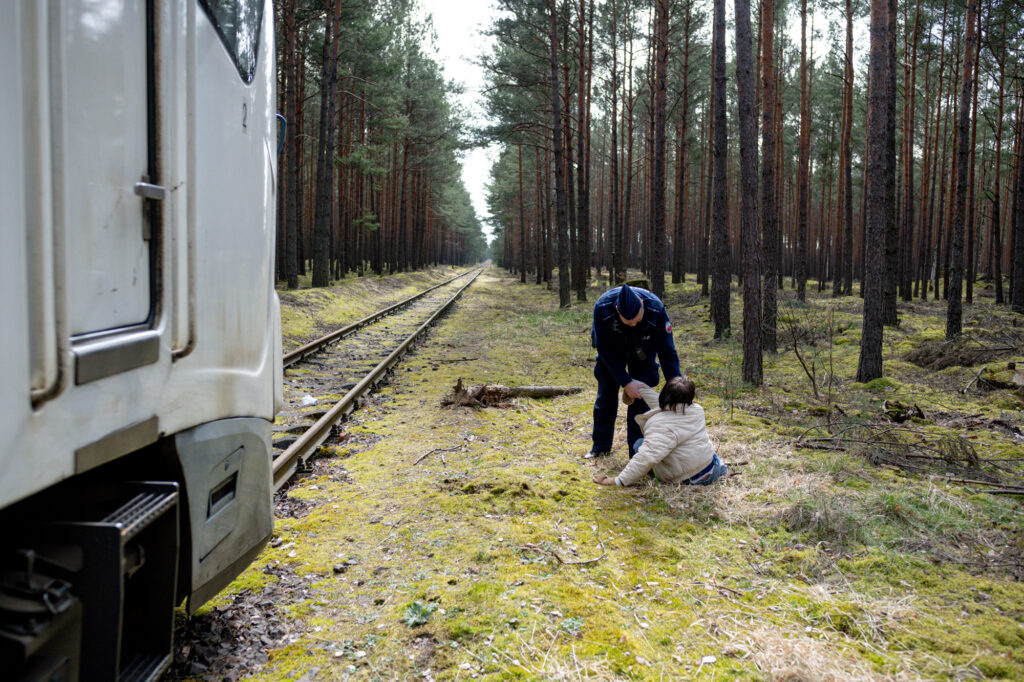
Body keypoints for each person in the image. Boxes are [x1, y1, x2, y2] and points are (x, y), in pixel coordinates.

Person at [587, 283, 681, 459]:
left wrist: (677, 388)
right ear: (617, 309)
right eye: (627, 321)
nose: (633, 324)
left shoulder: (656, 310)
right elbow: (605, 350)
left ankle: (637, 453)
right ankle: (600, 447)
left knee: (640, 403)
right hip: (613, 353)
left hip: (644, 352)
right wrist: (626, 382)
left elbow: (668, 354)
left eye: (637, 319)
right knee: (606, 396)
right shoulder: (602, 308)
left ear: (642, 305)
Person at [592, 377, 728, 487]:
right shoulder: (696, 410)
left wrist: (618, 481)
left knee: (639, 445)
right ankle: (723, 471)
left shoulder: (661, 425)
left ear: (665, 395)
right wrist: (636, 386)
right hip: (712, 467)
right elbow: (662, 403)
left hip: (689, 479)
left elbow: (646, 457)